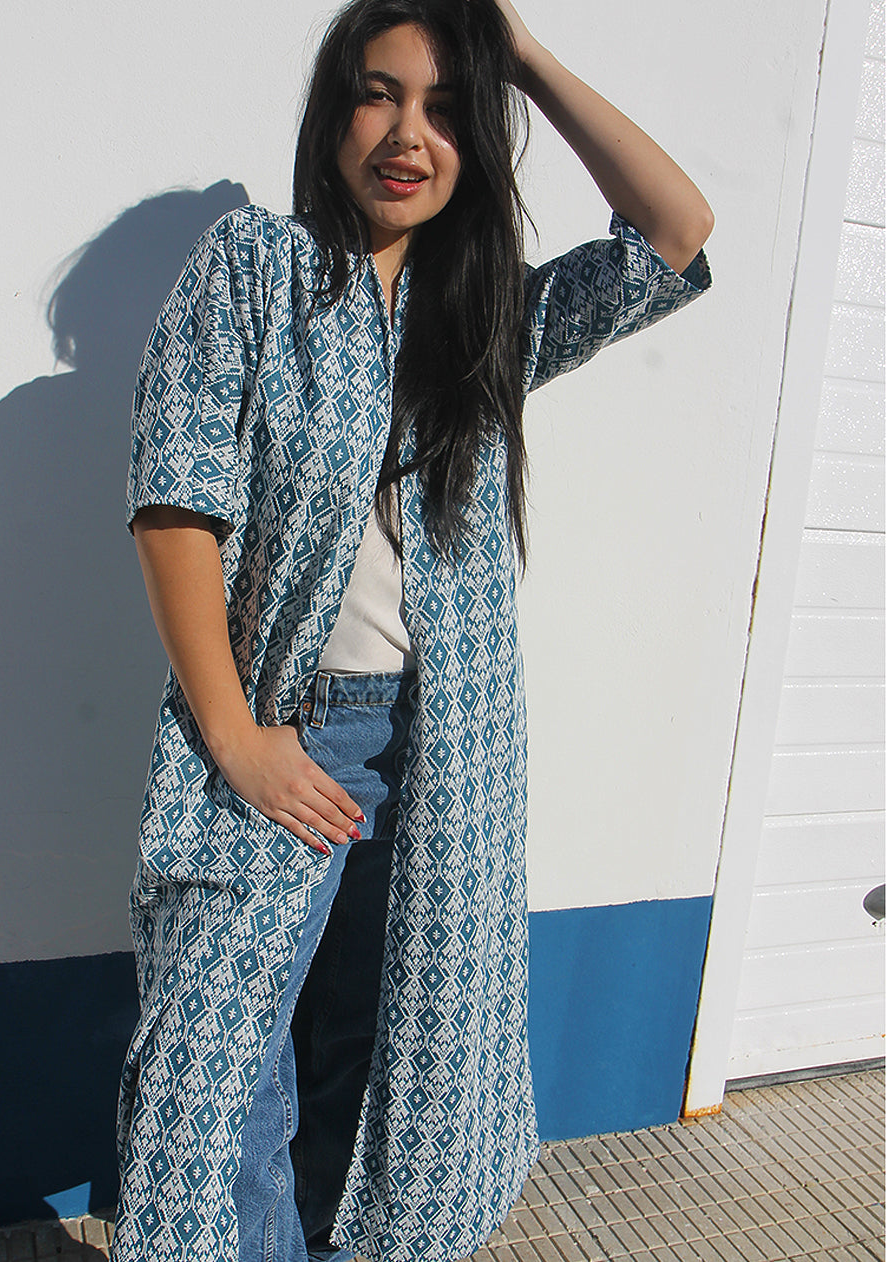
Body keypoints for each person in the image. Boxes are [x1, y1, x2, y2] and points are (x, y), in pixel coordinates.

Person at [111, 0, 713, 1258]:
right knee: (206, 1092)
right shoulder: (253, 269)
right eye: (379, 94)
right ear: (333, 111)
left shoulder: (480, 319)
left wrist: (524, 57)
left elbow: (673, 231)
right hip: (283, 733)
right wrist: (235, 734)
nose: (407, 133)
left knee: (374, 1059)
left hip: (441, 753)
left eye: (446, 109)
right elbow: (176, 506)